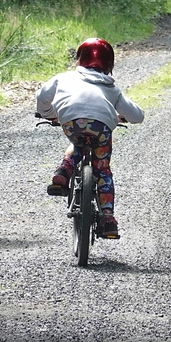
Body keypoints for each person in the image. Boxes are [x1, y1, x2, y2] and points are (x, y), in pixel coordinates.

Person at [36, 38, 144, 239]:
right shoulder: (112, 88)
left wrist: (49, 113)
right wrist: (122, 116)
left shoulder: (64, 78)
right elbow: (137, 116)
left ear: (79, 59)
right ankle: (108, 218)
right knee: (102, 168)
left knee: (77, 141)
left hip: (71, 122)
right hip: (101, 126)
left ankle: (64, 170)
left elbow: (42, 96)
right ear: (109, 64)